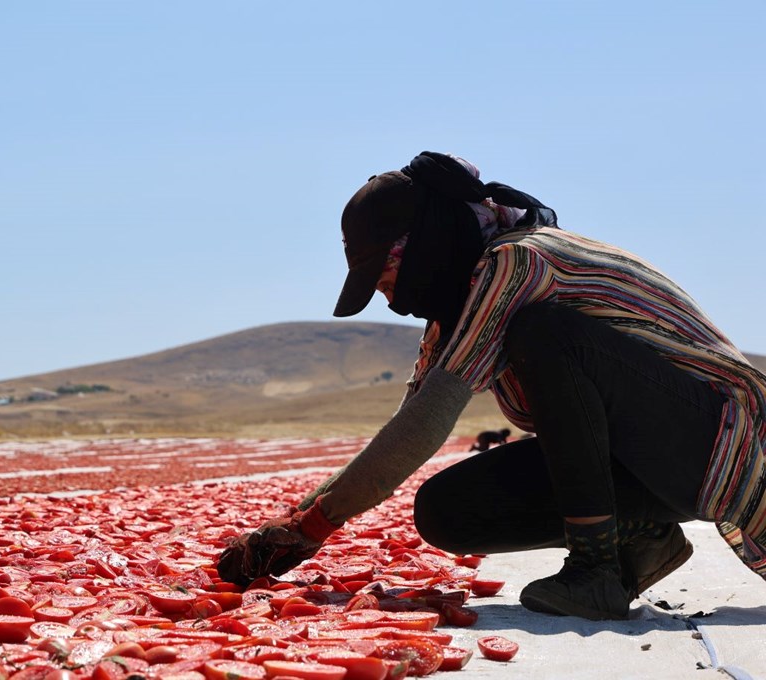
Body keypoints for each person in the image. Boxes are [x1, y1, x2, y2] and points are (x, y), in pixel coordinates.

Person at [217, 152, 766, 621]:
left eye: (386, 278)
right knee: (447, 510)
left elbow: (429, 422)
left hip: (714, 439)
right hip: (649, 459)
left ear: (423, 245)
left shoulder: (519, 262)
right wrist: (291, 525)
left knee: (547, 335)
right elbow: (405, 427)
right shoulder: (462, 305)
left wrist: (315, 527)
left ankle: (595, 570)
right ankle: (643, 543)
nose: (390, 300)